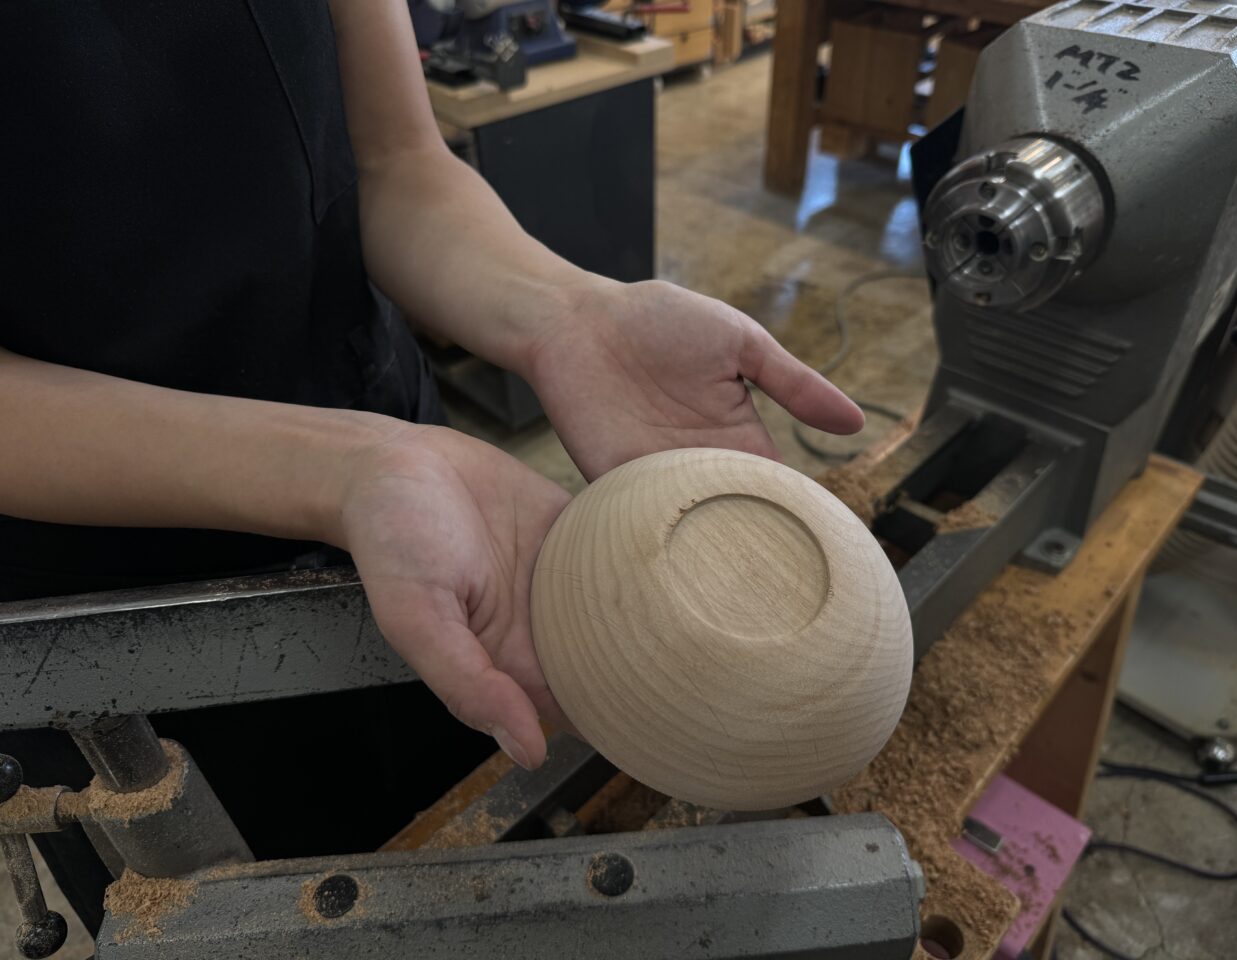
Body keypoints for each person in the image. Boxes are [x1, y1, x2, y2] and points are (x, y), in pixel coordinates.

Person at [0, 0, 863, 934]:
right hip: (114, 578)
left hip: (399, 467)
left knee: (475, 841)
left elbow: (396, 162)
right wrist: (340, 467)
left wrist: (567, 313)